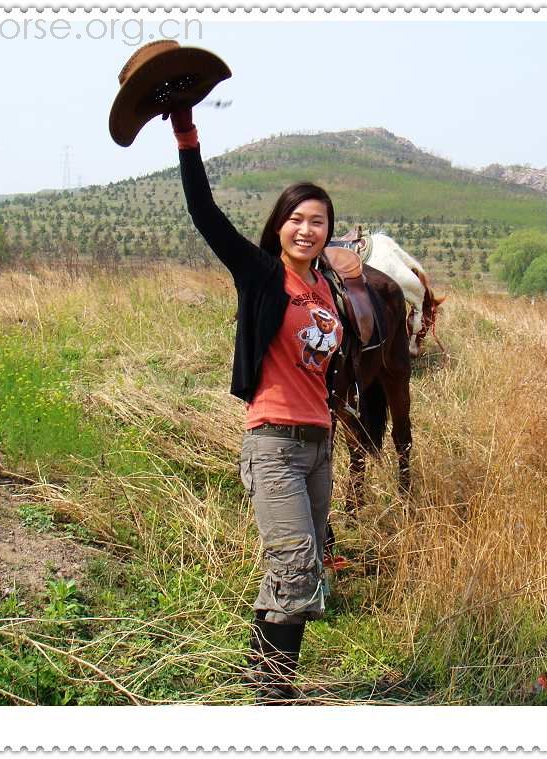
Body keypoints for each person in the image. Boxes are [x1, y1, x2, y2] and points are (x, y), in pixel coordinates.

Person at [169, 105, 343, 704]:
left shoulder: (327, 288)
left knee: (298, 569)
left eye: (318, 222)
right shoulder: (263, 274)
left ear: (328, 233)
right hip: (273, 444)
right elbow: (205, 215)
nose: (307, 229)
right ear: (279, 226)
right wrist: (187, 134)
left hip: (320, 448)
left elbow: (327, 371)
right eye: (297, 218)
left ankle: (263, 687)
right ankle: (276, 696)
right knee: (297, 570)